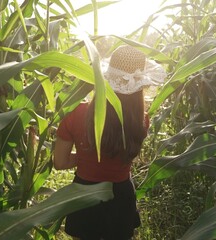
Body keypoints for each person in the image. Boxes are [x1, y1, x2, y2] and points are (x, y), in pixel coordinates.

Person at [53, 45, 166, 240]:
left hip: (84, 194)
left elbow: (60, 162)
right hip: (121, 195)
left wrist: (85, 157)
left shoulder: (77, 113)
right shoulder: (141, 119)